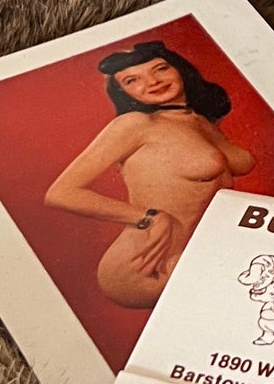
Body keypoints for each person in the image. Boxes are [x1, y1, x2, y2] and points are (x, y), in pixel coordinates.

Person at [44, 41, 255, 309]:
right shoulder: (134, 124)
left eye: (160, 69)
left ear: (179, 70)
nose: (153, 82)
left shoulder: (199, 121)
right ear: (123, 92)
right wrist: (148, 217)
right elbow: (60, 193)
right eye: (132, 80)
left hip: (197, 252)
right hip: (145, 265)